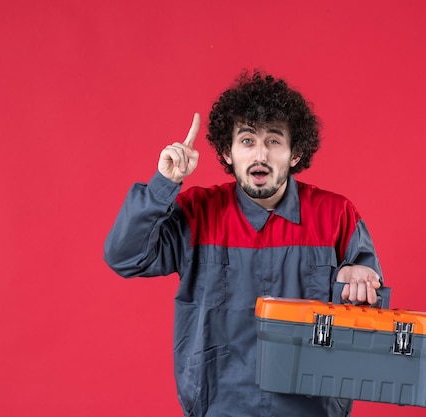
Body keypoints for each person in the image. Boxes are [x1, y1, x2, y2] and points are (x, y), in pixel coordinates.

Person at [104, 70, 384, 417]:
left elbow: (369, 316)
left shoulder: (337, 214)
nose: (260, 155)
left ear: (295, 154)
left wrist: (361, 280)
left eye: (274, 141)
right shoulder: (196, 212)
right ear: (227, 151)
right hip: (220, 406)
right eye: (248, 140)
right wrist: (164, 182)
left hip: (311, 409)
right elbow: (125, 257)